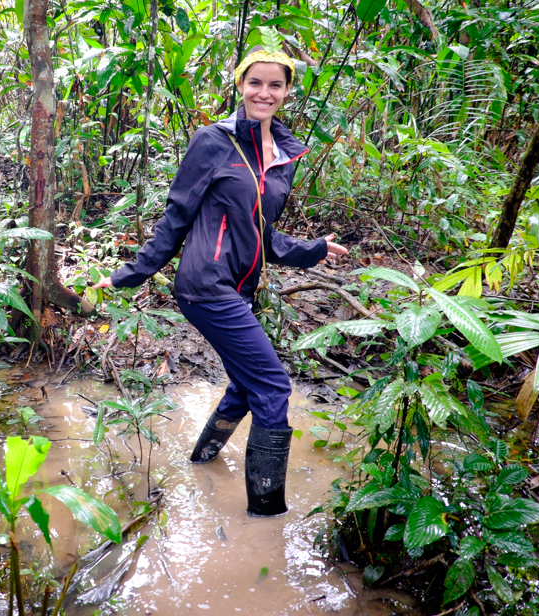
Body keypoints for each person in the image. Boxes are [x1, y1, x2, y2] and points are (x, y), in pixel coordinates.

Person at [93, 49, 349, 517]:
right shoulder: (214, 141)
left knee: (245, 386)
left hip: (237, 288)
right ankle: (266, 518)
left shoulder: (284, 156)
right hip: (204, 285)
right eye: (256, 83)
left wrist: (313, 249)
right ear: (240, 85)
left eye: (275, 85)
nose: (264, 93)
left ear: (288, 92)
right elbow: (176, 217)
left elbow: (261, 234)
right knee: (273, 387)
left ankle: (202, 462)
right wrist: (127, 275)